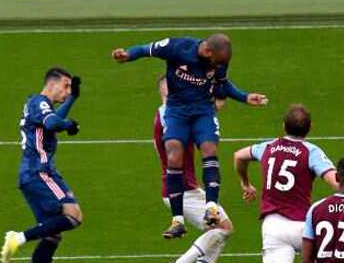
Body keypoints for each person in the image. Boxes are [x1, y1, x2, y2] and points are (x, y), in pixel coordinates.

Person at [112, 33, 268, 237]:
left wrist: (245, 97)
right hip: (177, 110)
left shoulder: (219, 61)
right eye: (215, 62)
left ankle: (211, 207)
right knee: (174, 154)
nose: (217, 67)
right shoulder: (177, 47)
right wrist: (127, 54)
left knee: (209, 148)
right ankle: (177, 221)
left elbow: (223, 83)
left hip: (203, 109)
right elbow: (145, 49)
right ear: (208, 50)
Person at [233, 105, 339, 263]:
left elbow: (238, 155)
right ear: (310, 128)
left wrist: (246, 183)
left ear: (283, 126)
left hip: (272, 226)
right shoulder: (310, 151)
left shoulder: (268, 147)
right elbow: (335, 181)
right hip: (303, 227)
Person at [0, 67, 83, 263]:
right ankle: (19, 237)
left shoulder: (36, 104)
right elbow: (53, 122)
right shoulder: (39, 102)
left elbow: (53, 120)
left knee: (53, 232)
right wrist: (67, 124)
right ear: (52, 84)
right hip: (40, 172)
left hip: (31, 174)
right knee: (74, 216)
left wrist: (74, 99)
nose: (67, 91)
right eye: (66, 86)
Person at [153, 76, 233, 263]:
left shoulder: (167, 113)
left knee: (219, 233)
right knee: (223, 228)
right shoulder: (171, 115)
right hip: (182, 190)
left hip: (183, 187)